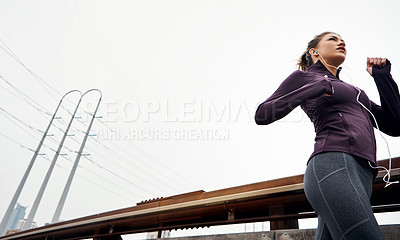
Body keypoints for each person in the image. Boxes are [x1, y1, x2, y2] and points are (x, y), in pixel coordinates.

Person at [254, 31, 400, 240]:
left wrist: (382, 77)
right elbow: (262, 114)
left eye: (343, 40)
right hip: (333, 164)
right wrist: (312, 89)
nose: (341, 42)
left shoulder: (355, 91)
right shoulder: (303, 77)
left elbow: (394, 125)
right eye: (332, 39)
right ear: (314, 51)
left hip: (363, 174)